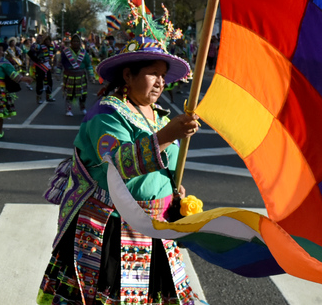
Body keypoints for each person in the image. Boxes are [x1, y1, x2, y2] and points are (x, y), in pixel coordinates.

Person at [37, 31, 202, 305]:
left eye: (163, 75)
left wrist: (173, 188)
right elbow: (117, 162)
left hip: (156, 229)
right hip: (112, 228)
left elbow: (166, 166)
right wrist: (166, 137)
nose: (160, 82)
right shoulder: (106, 112)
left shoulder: (160, 116)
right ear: (128, 75)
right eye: (152, 73)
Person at [59, 33, 95, 117]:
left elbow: (88, 65)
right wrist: (57, 73)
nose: (75, 43)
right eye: (74, 41)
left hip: (81, 76)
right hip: (69, 76)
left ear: (80, 43)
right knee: (69, 94)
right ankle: (68, 109)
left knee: (83, 94)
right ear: (71, 42)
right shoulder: (65, 52)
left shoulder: (84, 53)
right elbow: (60, 64)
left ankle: (82, 108)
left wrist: (91, 76)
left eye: (77, 41)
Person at [30, 33, 56, 104]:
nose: (48, 41)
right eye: (46, 40)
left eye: (49, 40)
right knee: (39, 82)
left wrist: (53, 66)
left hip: (47, 67)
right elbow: (31, 53)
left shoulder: (51, 47)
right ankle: (39, 97)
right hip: (40, 66)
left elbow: (53, 56)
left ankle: (49, 95)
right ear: (44, 41)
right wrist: (36, 60)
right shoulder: (39, 47)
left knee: (49, 81)